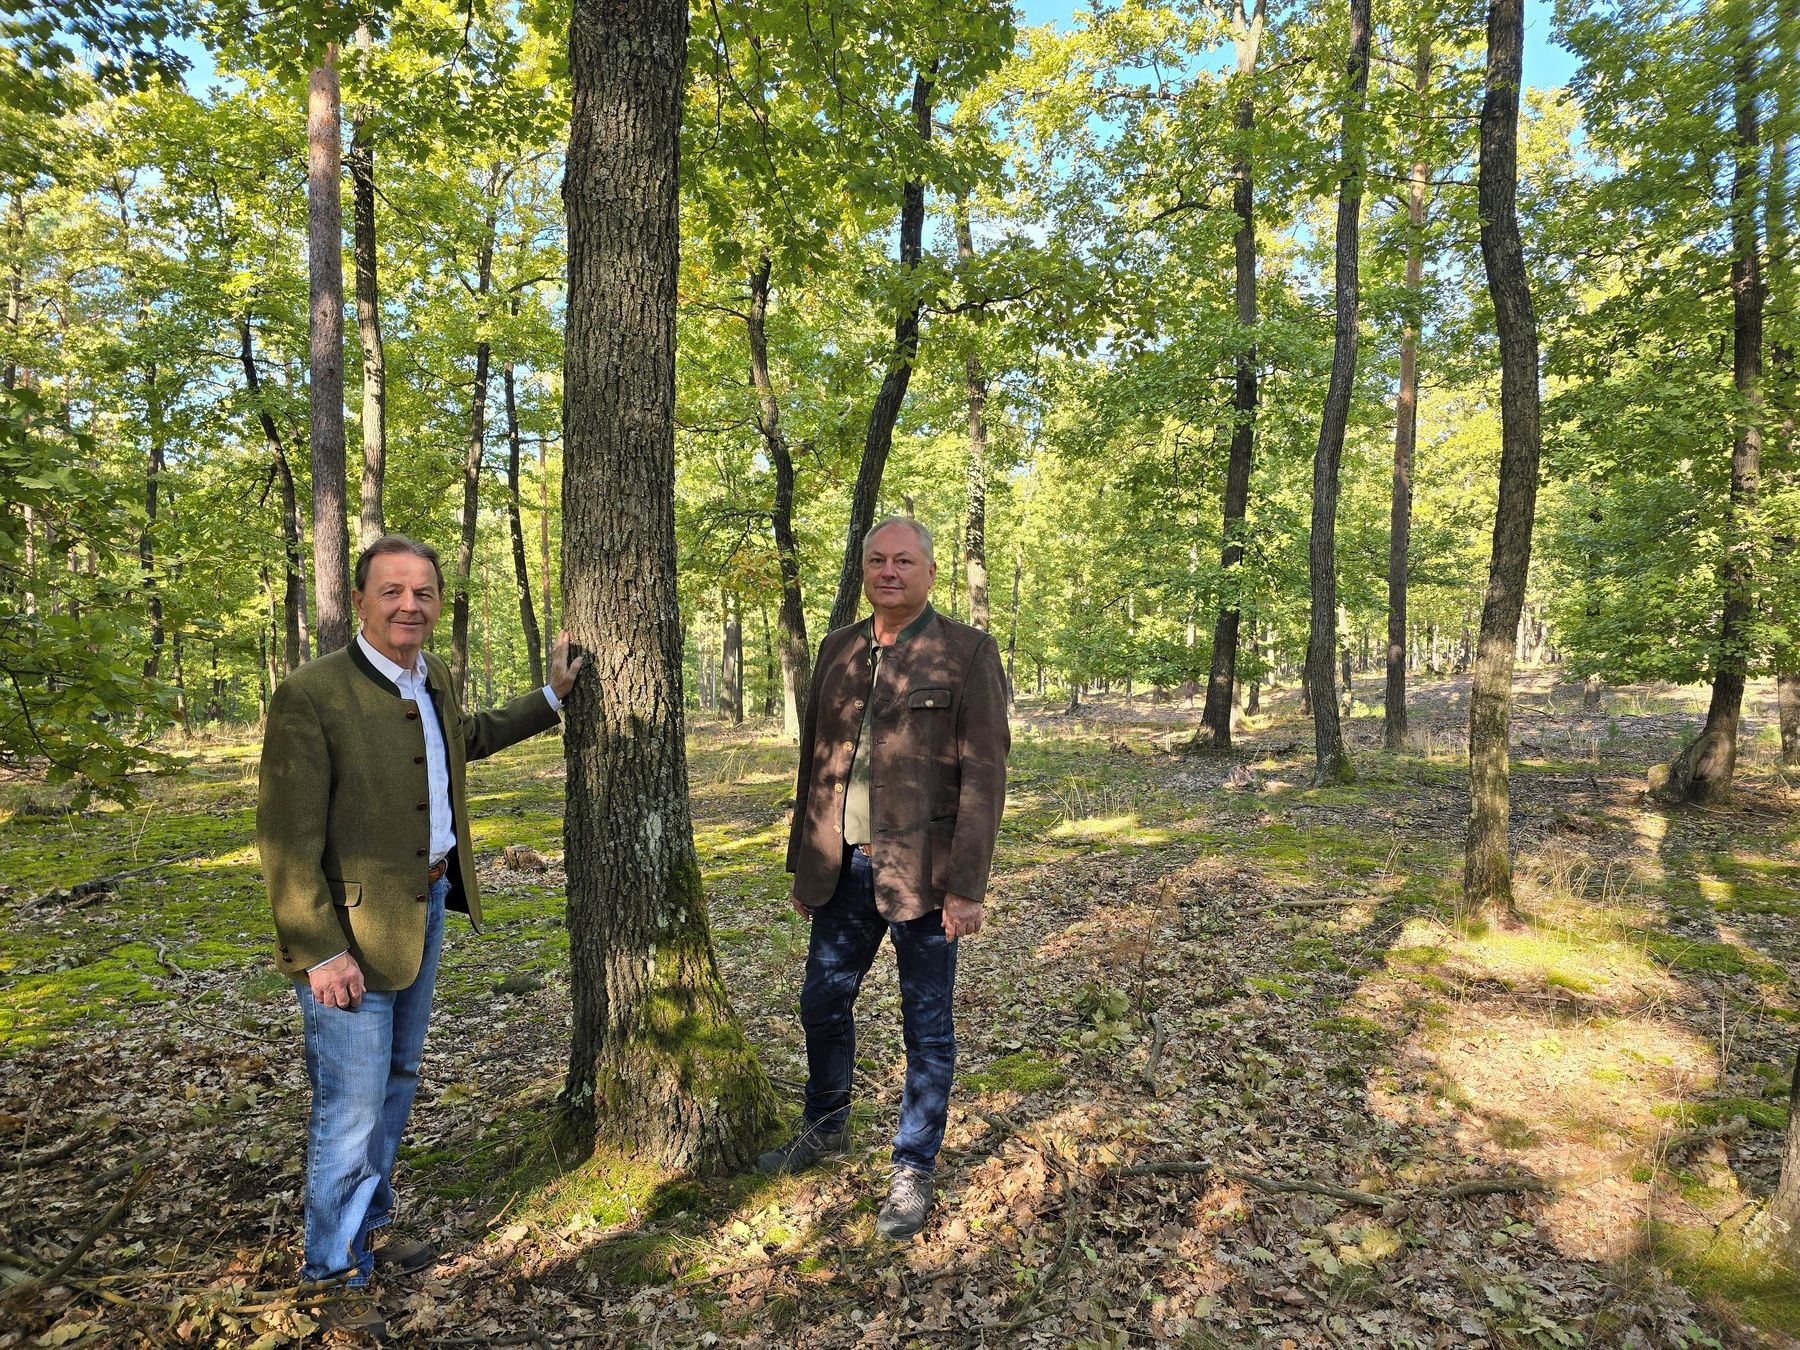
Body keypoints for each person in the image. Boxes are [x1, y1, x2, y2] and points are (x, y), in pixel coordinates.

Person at [257, 534, 582, 1327]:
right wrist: (320, 949)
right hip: (350, 933)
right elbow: (286, 838)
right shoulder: (312, 694)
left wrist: (550, 696)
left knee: (397, 1081)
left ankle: (367, 1228)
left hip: (426, 906)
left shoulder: (431, 676)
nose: (410, 605)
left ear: (438, 605)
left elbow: (458, 745)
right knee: (350, 1103)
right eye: (392, 591)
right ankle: (330, 1274)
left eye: (424, 593)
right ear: (361, 600)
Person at [760, 516, 1010, 1241]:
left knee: (926, 1026)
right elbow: (816, 765)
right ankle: (825, 1125)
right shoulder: (839, 649)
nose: (889, 572)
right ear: (864, 571)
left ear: (930, 572)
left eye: (904, 561)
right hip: (842, 868)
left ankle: (913, 1167)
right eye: (877, 561)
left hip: (926, 878)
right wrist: (804, 866)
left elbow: (985, 777)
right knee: (821, 1001)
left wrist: (968, 887)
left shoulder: (966, 653)